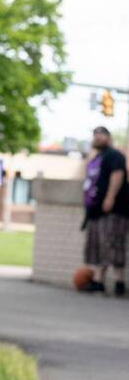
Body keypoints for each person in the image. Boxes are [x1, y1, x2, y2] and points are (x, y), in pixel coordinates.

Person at [79, 125, 129, 296]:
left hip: (113, 210)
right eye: (95, 135)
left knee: (113, 245)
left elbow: (118, 175)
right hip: (95, 211)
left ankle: (119, 282)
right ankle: (98, 281)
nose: (96, 138)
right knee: (98, 247)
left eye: (100, 135)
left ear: (108, 137)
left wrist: (110, 197)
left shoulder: (115, 155)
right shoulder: (96, 158)